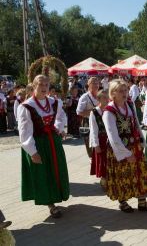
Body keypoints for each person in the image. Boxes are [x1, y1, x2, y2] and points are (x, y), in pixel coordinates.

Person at [18, 75, 69, 218]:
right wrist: (32, 152)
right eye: (41, 84)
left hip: (53, 141)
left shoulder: (54, 102)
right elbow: (24, 131)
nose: (44, 87)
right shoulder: (26, 106)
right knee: (43, 173)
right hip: (38, 143)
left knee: (56, 170)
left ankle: (58, 195)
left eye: (46, 85)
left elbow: (61, 117)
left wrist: (59, 128)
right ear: (34, 86)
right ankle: (50, 204)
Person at [103, 79, 147, 212]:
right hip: (120, 149)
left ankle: (142, 201)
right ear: (113, 93)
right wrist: (126, 154)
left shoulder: (129, 105)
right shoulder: (109, 111)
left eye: (125, 90)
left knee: (141, 173)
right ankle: (123, 202)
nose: (124, 93)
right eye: (121, 91)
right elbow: (113, 136)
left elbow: (136, 124)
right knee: (122, 175)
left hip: (135, 145)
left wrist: (142, 141)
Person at [89, 90, 109, 189]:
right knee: (102, 161)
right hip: (101, 139)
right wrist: (95, 144)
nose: (107, 99)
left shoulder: (110, 110)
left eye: (107, 97)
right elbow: (93, 129)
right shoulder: (94, 112)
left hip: (110, 139)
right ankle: (104, 179)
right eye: (104, 97)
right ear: (99, 99)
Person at [77, 77, 100, 157]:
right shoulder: (84, 97)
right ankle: (92, 159)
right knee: (91, 143)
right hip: (88, 122)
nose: (96, 85)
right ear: (88, 85)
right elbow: (79, 112)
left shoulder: (100, 95)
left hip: (100, 122)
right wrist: (94, 111)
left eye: (97, 83)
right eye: (93, 83)